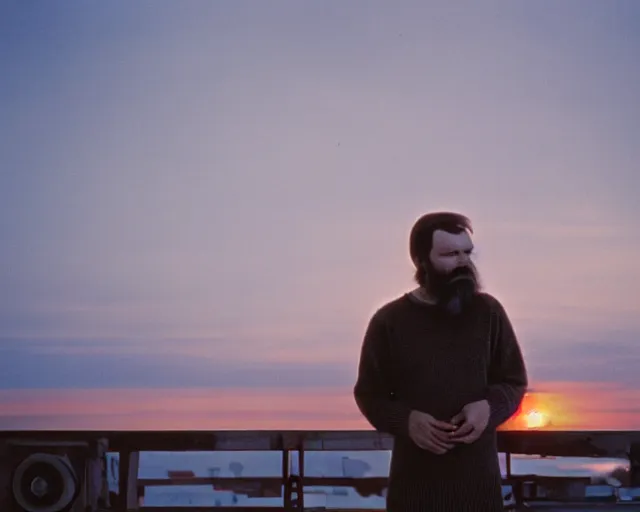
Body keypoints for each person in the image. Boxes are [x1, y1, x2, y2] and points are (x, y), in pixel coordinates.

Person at [353, 211, 528, 511]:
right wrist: (406, 421)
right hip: (414, 490)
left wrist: (488, 407)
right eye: (450, 254)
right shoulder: (389, 321)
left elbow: (514, 382)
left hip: (479, 491)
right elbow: (369, 394)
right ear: (421, 261)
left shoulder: (489, 313)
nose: (463, 262)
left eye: (466, 253)